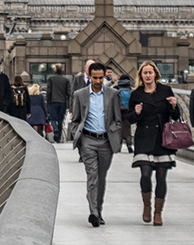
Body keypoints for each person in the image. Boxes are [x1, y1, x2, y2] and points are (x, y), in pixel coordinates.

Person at [65, 61, 122, 227]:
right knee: (92, 176)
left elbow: (118, 119)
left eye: (100, 77)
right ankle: (93, 212)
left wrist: (115, 133)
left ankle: (99, 209)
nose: (97, 81)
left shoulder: (112, 94)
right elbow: (75, 119)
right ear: (88, 76)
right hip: (88, 140)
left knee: (101, 177)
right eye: (94, 77)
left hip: (106, 141)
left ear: (104, 76)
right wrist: (78, 136)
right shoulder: (79, 95)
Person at [126, 60, 181, 225]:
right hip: (144, 138)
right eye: (145, 73)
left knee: (162, 177)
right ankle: (146, 206)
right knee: (145, 174)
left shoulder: (165, 90)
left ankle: (158, 212)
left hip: (162, 140)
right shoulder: (136, 94)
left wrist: (174, 105)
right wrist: (136, 112)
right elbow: (129, 119)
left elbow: (176, 116)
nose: (148, 76)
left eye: (150, 72)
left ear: (155, 74)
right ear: (141, 76)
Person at [46, 64, 72, 141]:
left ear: (55, 70)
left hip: (53, 101)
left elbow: (49, 91)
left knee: (53, 118)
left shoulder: (51, 79)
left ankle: (55, 128)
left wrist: (48, 101)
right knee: (60, 120)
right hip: (62, 102)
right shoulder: (66, 80)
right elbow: (69, 93)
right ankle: (59, 138)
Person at [115, 73, 135, 152]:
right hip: (128, 111)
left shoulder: (116, 89)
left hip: (118, 111)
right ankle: (129, 144)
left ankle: (118, 146)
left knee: (119, 128)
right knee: (127, 128)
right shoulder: (131, 90)